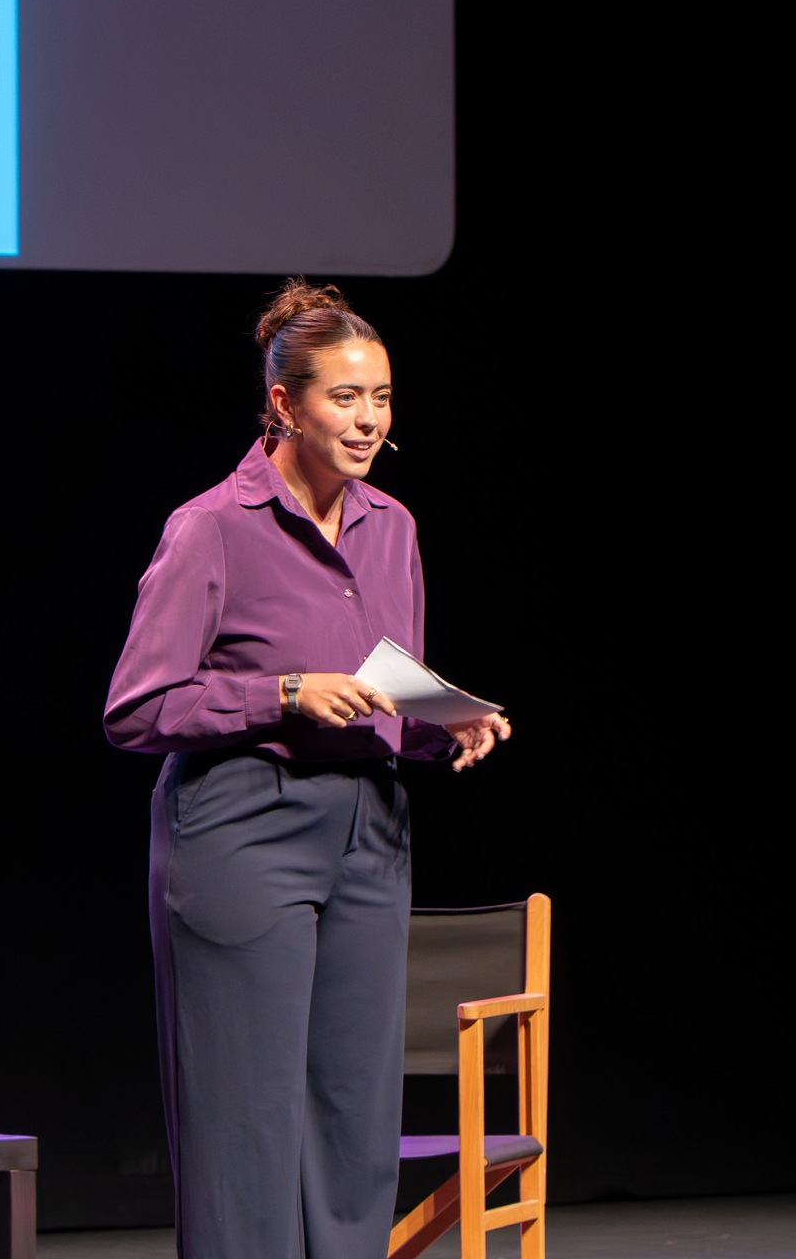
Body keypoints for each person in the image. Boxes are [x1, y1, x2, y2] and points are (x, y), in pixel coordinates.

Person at [104, 278, 511, 1257]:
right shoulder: (214, 526)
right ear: (282, 403)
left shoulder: (393, 527)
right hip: (242, 826)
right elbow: (136, 707)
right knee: (244, 1117)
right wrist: (280, 694)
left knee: (352, 1115)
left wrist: (441, 723)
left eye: (378, 397)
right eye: (344, 396)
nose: (367, 418)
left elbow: (383, 691)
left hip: (368, 830)